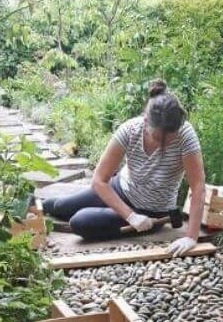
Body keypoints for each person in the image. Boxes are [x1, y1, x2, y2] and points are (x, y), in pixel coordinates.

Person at [42, 80, 207, 257]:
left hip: (150, 213)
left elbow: (198, 187)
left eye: (171, 138)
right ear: (145, 121)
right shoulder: (129, 130)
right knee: (59, 206)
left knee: (80, 222)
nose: (164, 145)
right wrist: (130, 217)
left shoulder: (185, 135)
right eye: (158, 138)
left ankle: (111, 217)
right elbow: (98, 181)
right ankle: (27, 209)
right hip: (118, 190)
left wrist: (191, 237)